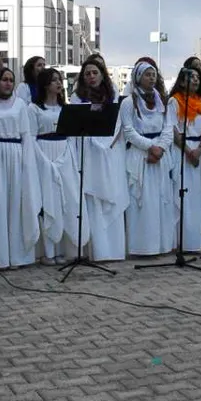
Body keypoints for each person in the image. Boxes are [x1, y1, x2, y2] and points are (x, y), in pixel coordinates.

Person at [0, 67, 41, 268]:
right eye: (4, 79)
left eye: (10, 80)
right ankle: (1, 257)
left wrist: (27, 163)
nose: (7, 83)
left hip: (16, 154)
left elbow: (26, 134)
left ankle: (18, 255)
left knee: (17, 203)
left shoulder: (21, 104)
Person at [71, 59, 129, 261]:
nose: (91, 76)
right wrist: (95, 143)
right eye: (87, 74)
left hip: (111, 151)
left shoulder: (112, 95)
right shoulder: (77, 98)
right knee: (93, 199)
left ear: (102, 74)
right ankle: (98, 251)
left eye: (95, 72)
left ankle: (114, 251)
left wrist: (107, 144)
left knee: (111, 198)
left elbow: (118, 122)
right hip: (89, 152)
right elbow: (75, 123)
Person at [120, 61, 175, 256]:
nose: (151, 78)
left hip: (160, 155)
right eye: (147, 75)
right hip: (140, 156)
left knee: (161, 200)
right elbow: (128, 131)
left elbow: (169, 128)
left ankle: (162, 245)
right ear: (138, 78)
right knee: (143, 201)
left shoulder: (163, 101)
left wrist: (160, 147)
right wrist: (150, 147)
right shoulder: (128, 102)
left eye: (153, 74)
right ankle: (143, 247)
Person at [29, 67, 82, 264]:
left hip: (63, 155)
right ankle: (47, 251)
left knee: (63, 201)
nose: (58, 83)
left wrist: (66, 158)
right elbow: (31, 137)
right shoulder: (33, 109)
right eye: (54, 80)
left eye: (59, 80)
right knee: (47, 200)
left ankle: (62, 249)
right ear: (45, 85)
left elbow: (70, 135)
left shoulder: (65, 109)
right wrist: (43, 160)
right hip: (43, 154)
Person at [167, 66, 201, 254]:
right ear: (182, 80)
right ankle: (180, 241)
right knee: (180, 195)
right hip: (182, 152)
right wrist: (188, 151)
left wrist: (200, 150)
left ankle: (195, 241)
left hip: (198, 153)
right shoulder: (174, 101)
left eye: (197, 77)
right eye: (191, 77)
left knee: (197, 197)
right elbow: (172, 129)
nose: (195, 80)